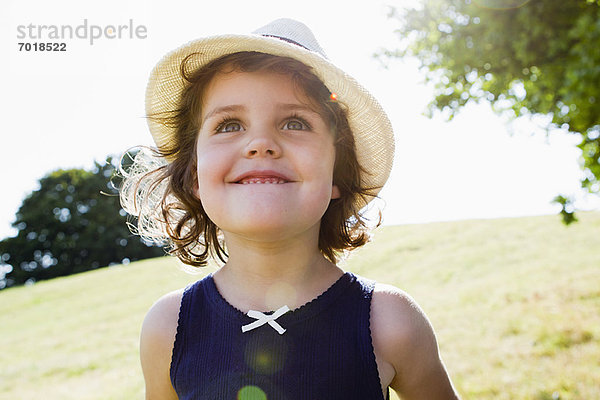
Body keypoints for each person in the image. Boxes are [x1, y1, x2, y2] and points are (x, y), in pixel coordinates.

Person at [120, 18, 459, 400]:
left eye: (295, 122)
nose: (261, 143)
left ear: (338, 174)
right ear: (195, 176)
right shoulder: (169, 327)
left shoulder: (388, 321)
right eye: (229, 125)